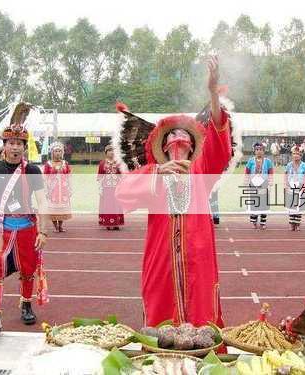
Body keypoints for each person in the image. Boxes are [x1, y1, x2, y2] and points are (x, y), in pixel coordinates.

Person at [115, 56, 233, 328]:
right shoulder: (152, 174)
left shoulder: (203, 170)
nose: (178, 143)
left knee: (202, 316)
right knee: (161, 316)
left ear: (194, 147)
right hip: (161, 258)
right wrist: (157, 173)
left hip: (198, 256)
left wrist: (213, 94)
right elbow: (121, 195)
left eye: (184, 139)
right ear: (161, 147)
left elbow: (219, 141)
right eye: (171, 138)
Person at [0, 102, 48, 337]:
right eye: (11, 143)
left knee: (28, 270)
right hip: (1, 228)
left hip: (27, 227)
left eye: (19, 144)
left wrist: (43, 231)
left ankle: (26, 305)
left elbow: (43, 202)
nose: (15, 147)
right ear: (4, 145)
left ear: (25, 147)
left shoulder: (33, 171)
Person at [44, 141, 72, 233]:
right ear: (52, 153)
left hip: (63, 189)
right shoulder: (48, 164)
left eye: (60, 151)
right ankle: (55, 226)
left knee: (62, 208)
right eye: (56, 151)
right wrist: (46, 190)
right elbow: (45, 177)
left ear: (62, 153)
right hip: (53, 190)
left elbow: (69, 176)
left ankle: (60, 226)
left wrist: (70, 188)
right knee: (53, 208)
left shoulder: (65, 163)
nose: (58, 153)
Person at [245, 142, 274, 229]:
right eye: (257, 150)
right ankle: (254, 221)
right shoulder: (251, 161)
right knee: (254, 203)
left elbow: (270, 173)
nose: (259, 151)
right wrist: (246, 182)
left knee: (263, 203)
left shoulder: (268, 161)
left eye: (261, 150)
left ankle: (263, 222)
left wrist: (270, 183)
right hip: (253, 184)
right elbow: (247, 172)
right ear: (254, 151)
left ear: (264, 151)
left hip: (264, 184)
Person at [97, 145, 124, 230]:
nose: (111, 152)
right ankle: (107, 223)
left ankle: (116, 223)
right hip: (106, 188)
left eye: (113, 151)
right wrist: (100, 188)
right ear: (106, 152)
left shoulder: (118, 163)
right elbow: (100, 177)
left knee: (117, 205)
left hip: (116, 188)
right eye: (109, 151)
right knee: (107, 205)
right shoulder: (102, 163)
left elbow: (121, 176)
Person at [285, 145, 305, 231]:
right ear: (292, 154)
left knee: (299, 206)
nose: (296, 155)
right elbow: (286, 175)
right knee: (291, 206)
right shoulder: (289, 165)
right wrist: (286, 185)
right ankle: (292, 223)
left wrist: (304, 187)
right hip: (291, 186)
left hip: (300, 186)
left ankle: (297, 223)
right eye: (294, 153)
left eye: (298, 154)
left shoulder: (304, 165)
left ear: (301, 155)